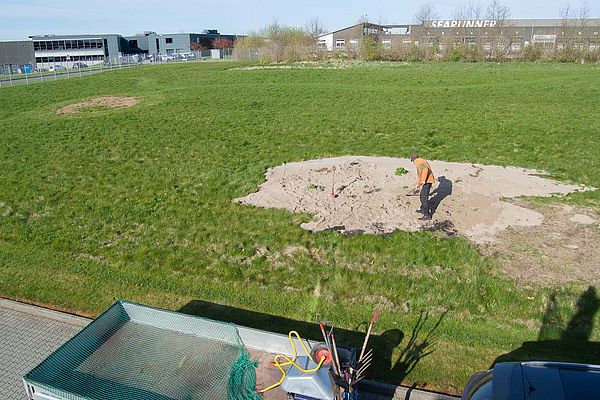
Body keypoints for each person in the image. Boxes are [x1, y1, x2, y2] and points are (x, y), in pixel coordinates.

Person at [411, 153, 435, 220]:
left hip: (427, 182)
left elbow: (425, 170)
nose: (414, 163)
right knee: (422, 196)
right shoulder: (421, 161)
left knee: (423, 197)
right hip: (426, 181)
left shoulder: (419, 162)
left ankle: (427, 215)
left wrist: (423, 180)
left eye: (413, 161)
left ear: (413, 159)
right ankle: (422, 210)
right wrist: (418, 184)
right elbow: (421, 174)